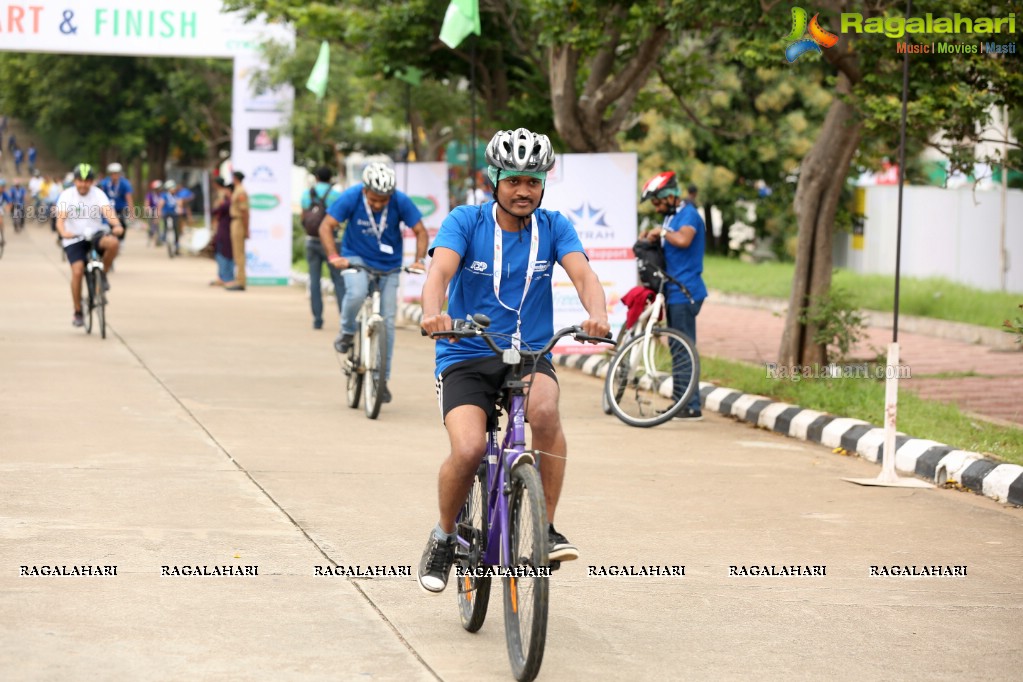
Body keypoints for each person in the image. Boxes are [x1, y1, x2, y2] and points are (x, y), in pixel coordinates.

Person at [416, 128, 610, 593]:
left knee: (545, 412)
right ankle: (444, 536)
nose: (524, 190)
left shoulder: (555, 226)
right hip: (466, 351)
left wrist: (597, 314)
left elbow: (583, 274)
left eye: (533, 181)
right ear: (494, 180)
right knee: (468, 450)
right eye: (514, 181)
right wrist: (432, 312)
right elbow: (440, 270)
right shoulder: (466, 221)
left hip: (529, 354)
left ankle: (544, 528)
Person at [322, 161, 429, 400]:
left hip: (389, 265)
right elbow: (326, 226)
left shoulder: (400, 200)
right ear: (364, 190)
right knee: (357, 292)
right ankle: (347, 332)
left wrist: (419, 260)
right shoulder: (351, 197)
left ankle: (381, 379)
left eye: (384, 199)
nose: (379, 204)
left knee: (388, 322)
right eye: (374, 199)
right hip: (355, 258)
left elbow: (420, 230)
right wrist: (333, 256)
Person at [639, 170, 707, 420]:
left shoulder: (688, 214)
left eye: (657, 201)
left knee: (683, 348)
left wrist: (663, 233)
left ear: (669, 195)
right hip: (674, 291)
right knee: (678, 347)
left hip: (685, 292)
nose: (656, 207)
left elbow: (684, 240)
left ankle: (691, 405)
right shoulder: (671, 217)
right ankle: (682, 403)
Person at [55, 164, 125, 327]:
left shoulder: (98, 194)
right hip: (74, 238)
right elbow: (60, 220)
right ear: (75, 181)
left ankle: (104, 274)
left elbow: (109, 213)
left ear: (92, 182)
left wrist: (117, 225)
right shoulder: (67, 195)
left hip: (95, 235)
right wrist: (63, 232)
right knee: (77, 271)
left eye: (87, 181)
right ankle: (78, 311)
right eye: (80, 181)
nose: (83, 185)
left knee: (113, 243)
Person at [301, 166, 344, 330]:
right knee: (338, 281)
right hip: (331, 242)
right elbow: (340, 219)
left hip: (311, 241)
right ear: (330, 178)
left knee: (314, 281)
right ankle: (343, 318)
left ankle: (317, 320)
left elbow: (304, 217)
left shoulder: (307, 193)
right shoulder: (336, 195)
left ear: (317, 177)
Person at [225, 170, 249, 291]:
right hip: (235, 221)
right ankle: (238, 279)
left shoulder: (240, 191)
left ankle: (241, 281)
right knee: (237, 252)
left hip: (239, 221)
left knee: (239, 253)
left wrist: (246, 228)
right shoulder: (238, 190)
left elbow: (244, 212)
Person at [98, 163, 135, 240]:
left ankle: (121, 241)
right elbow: (99, 195)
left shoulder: (125, 183)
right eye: (113, 173)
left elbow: (129, 198)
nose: (115, 175)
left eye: (117, 173)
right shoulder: (104, 183)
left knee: (122, 224)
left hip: (120, 208)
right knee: (106, 225)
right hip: (108, 209)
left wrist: (132, 213)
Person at [209, 177, 234, 286]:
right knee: (219, 251)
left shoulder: (227, 199)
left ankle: (227, 277)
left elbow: (218, 209)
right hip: (221, 226)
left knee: (225, 252)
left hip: (225, 228)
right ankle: (221, 276)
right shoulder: (224, 196)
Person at [159, 180, 181, 254]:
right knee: (165, 226)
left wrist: (180, 208)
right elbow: (161, 204)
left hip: (174, 213)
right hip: (167, 213)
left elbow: (179, 203)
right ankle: (164, 238)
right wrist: (159, 212)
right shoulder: (165, 195)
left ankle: (177, 243)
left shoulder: (176, 195)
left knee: (176, 228)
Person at [145, 180, 163, 246]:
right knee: (151, 226)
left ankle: (158, 240)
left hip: (158, 211)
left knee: (158, 226)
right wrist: (147, 209)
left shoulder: (162, 195)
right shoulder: (150, 194)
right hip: (151, 211)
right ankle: (150, 236)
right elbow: (147, 203)